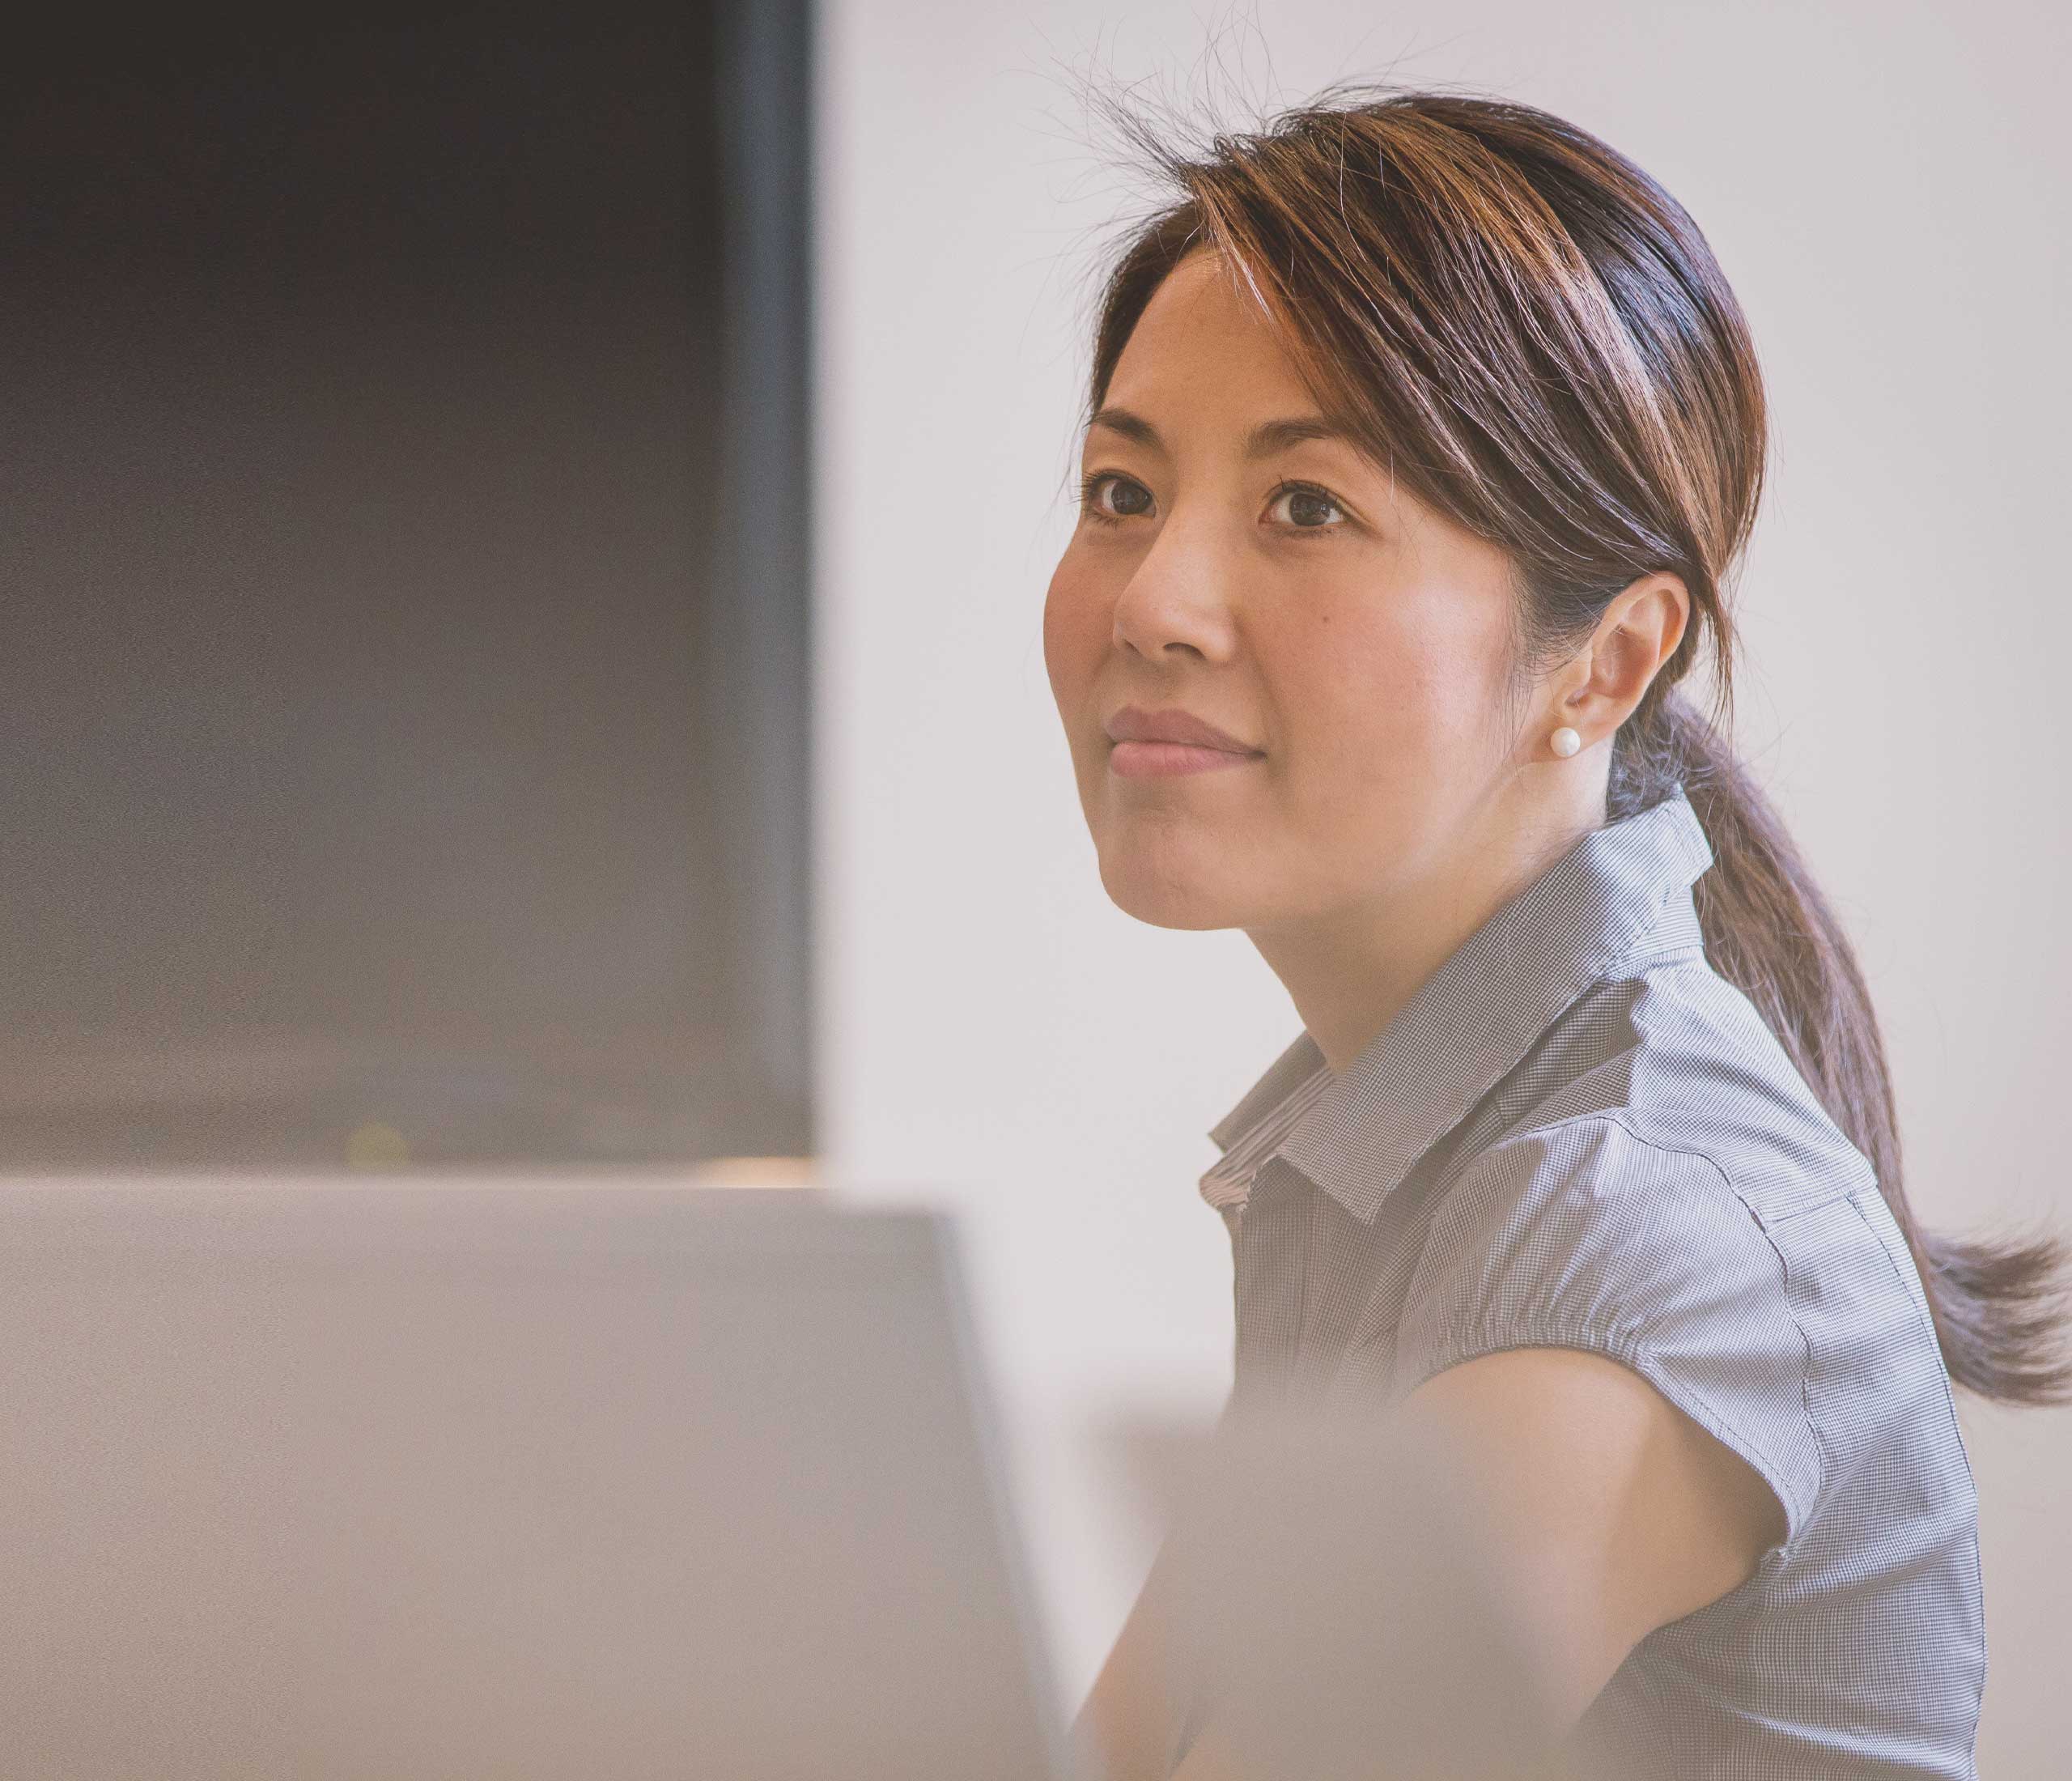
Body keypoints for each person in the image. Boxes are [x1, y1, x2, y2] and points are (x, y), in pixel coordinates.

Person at [1041, 82, 2072, 1780]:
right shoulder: (1395, 1153)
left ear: (1599, 662)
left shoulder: (1642, 1229)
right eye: (1117, 489)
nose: (1150, 600)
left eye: (1306, 507)